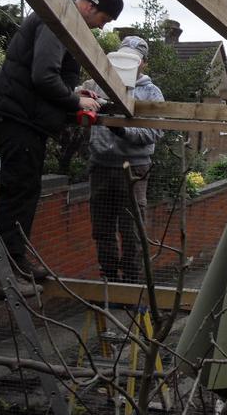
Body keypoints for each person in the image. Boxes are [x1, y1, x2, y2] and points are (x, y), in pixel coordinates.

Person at [0, 0, 124, 300]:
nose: (103, 26)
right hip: (18, 116)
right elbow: (43, 77)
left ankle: (16, 263)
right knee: (17, 193)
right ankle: (4, 275)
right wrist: (76, 105)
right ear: (91, 5)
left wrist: (76, 95)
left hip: (25, 117)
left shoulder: (64, 23)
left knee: (26, 191)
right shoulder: (56, 20)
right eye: (105, 18)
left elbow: (54, 79)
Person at [84, 36, 164, 284]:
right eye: (123, 56)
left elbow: (154, 132)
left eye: (133, 58)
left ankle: (130, 284)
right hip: (101, 166)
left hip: (134, 168)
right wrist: (80, 94)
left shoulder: (150, 92)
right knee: (102, 229)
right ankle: (108, 282)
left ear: (143, 63)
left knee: (132, 232)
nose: (127, 62)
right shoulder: (98, 84)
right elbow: (78, 101)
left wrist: (122, 130)